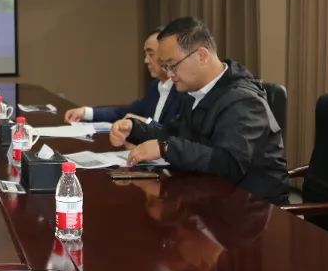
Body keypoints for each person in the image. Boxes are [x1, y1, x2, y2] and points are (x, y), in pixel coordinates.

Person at [109, 17, 288, 203]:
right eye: (166, 67)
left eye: (172, 65)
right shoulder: (196, 91)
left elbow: (229, 164)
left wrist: (166, 148)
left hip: (251, 208)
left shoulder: (244, 101)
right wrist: (135, 130)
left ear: (202, 56)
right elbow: (174, 133)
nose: (169, 74)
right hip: (210, 198)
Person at [63, 28, 180, 124]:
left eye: (151, 54)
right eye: (145, 55)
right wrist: (85, 112)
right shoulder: (155, 87)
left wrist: (147, 123)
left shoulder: (182, 91)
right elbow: (122, 113)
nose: (146, 60)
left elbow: (175, 136)